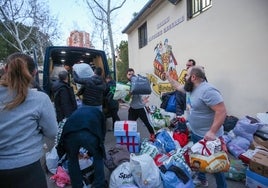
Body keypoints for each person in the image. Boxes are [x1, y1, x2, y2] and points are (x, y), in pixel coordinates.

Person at [0, 52, 58, 188]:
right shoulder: (40, 99)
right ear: (34, 72)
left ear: (6, 69)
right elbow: (52, 132)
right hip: (28, 170)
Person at [166, 65, 227, 188]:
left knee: (217, 167)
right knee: (199, 159)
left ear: (193, 77)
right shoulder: (191, 88)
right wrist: (168, 77)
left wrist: (212, 132)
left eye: (187, 75)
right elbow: (178, 86)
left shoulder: (208, 90)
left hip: (210, 137)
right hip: (196, 133)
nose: (185, 77)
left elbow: (221, 111)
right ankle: (202, 180)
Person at [56, 106, 107, 188]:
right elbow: (101, 138)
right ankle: (99, 184)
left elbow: (65, 130)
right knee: (98, 155)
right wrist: (91, 153)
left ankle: (77, 185)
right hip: (88, 134)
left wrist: (72, 151)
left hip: (70, 134)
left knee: (72, 159)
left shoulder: (77, 112)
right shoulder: (99, 116)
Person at [126, 68, 155, 140]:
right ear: (127, 75)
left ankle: (153, 136)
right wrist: (129, 94)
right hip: (132, 108)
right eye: (129, 74)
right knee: (130, 125)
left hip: (140, 108)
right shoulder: (127, 85)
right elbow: (126, 98)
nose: (131, 76)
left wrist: (145, 103)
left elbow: (143, 93)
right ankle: (131, 140)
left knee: (147, 123)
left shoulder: (138, 83)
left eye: (132, 74)